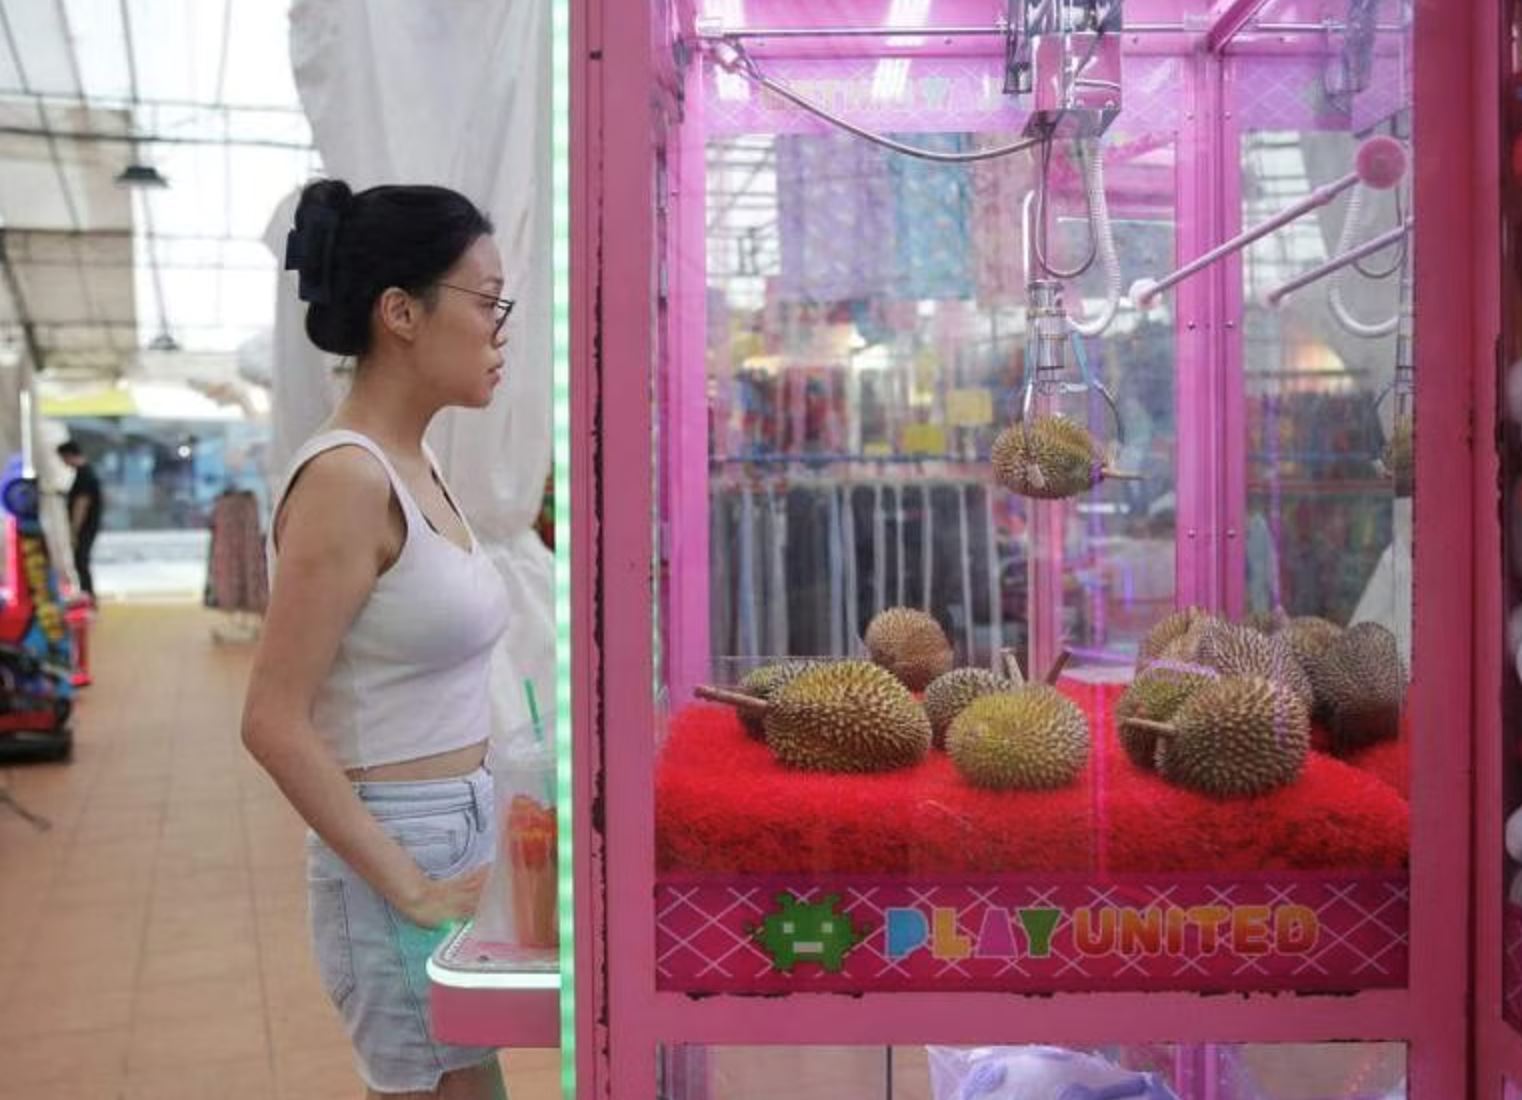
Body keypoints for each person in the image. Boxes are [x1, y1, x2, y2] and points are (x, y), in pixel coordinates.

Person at [241, 179, 514, 1100]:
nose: (498, 328)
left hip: (455, 832)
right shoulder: (347, 481)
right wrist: (413, 888)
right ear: (401, 312)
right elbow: (273, 720)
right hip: (399, 849)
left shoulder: (416, 460)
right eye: (486, 301)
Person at [56, 440, 103, 600]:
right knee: (81, 561)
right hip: (89, 525)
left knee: (80, 561)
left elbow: (81, 504)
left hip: (85, 526)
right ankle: (87, 595)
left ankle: (88, 596)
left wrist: (74, 530)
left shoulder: (84, 474)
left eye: (63, 458)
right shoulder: (86, 473)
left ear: (69, 455)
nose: (63, 463)